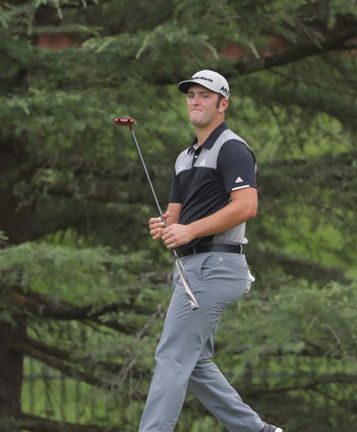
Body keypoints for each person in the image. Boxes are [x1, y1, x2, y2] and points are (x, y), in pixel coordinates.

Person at [138, 70, 282, 432]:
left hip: (216, 264)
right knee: (195, 362)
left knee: (171, 356)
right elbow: (175, 214)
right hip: (192, 268)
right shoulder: (184, 157)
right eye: (191, 95)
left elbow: (246, 206)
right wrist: (165, 224)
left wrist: (188, 229)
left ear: (223, 104)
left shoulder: (232, 148)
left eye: (205, 95)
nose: (196, 100)